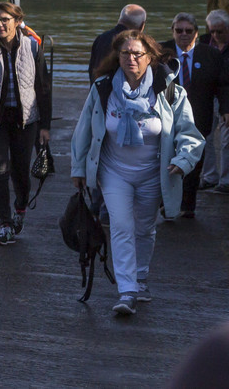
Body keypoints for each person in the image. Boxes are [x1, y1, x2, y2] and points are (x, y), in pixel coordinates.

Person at [72, 28, 203, 316]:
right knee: (120, 226)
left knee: (145, 228)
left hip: (153, 173)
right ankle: (127, 290)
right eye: (125, 53)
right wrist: (78, 167)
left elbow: (190, 134)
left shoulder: (169, 91)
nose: (130, 58)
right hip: (113, 171)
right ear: (117, 57)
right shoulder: (103, 88)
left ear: (150, 57)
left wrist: (183, 160)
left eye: (137, 53)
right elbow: (84, 132)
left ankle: (141, 278)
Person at [0, 2, 52, 245]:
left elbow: (44, 88)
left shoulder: (33, 47)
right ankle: (4, 224)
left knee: (20, 172)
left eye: (5, 19)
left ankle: (20, 209)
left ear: (17, 22)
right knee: (0, 171)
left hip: (26, 121)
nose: (0, 24)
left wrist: (45, 126)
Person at [159, 12, 229, 218]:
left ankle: (187, 206)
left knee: (194, 163)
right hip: (168, 118)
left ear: (197, 34)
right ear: (172, 32)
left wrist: (225, 109)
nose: (183, 35)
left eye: (188, 31)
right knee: (168, 159)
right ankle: (168, 202)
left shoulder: (211, 55)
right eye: (178, 30)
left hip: (199, 117)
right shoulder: (162, 53)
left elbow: (223, 85)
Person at [89, 4, 147, 82]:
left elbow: (92, 69)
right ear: (142, 26)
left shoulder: (101, 38)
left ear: (120, 20)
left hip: (97, 88)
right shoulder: (134, 44)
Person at [205, 10, 229, 191]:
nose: (215, 35)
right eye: (212, 31)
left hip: (226, 95)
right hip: (208, 94)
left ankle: (225, 181)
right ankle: (209, 176)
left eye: (219, 32)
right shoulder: (205, 43)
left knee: (226, 140)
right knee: (205, 136)